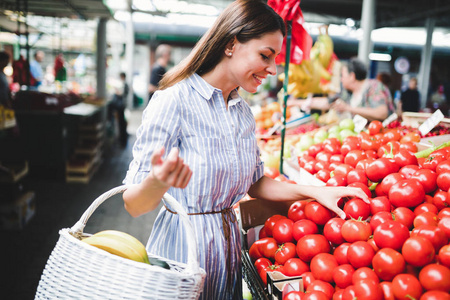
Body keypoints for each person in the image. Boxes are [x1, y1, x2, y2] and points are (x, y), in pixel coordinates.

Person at [122, 1, 369, 299]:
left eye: (275, 58)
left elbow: (256, 183)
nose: (273, 69)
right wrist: (158, 182)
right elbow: (134, 204)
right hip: (182, 254)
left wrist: (316, 192)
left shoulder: (242, 112)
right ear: (230, 44)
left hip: (227, 252)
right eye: (265, 55)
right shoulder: (173, 101)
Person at [288, 57, 395, 121]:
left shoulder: (374, 87)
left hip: (382, 140)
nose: (341, 79)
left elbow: (381, 113)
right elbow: (327, 102)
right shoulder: (347, 92)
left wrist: (348, 108)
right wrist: (294, 102)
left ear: (352, 76)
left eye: (342, 76)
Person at [109, 72, 129, 147]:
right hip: (122, 107)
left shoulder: (124, 85)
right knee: (122, 123)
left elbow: (121, 94)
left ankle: (123, 141)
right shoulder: (124, 84)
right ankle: (123, 140)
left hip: (121, 107)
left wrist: (116, 91)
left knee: (122, 123)